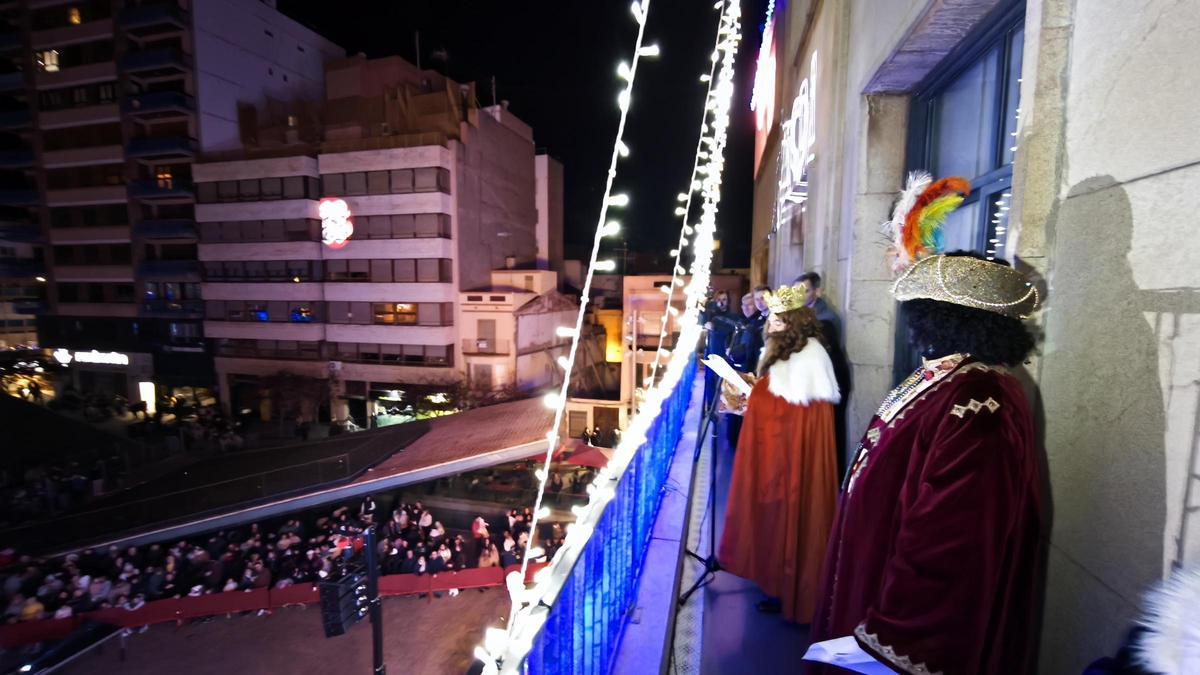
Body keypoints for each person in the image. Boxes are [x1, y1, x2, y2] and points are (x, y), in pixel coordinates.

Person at [808, 175, 1044, 675]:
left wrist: (888, 638)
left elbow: (953, 542)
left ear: (944, 319)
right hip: (873, 573)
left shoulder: (981, 397)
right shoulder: (954, 376)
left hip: (897, 622)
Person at [717, 285, 840, 622]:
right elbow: (779, 399)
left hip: (789, 459)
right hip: (783, 451)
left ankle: (790, 588)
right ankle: (776, 581)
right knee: (776, 518)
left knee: (790, 515)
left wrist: (751, 397)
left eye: (777, 319)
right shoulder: (791, 350)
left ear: (795, 322)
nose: (770, 323)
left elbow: (788, 412)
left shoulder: (809, 356)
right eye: (770, 317)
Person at [794, 271, 852, 478]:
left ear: (816, 292)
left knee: (831, 433)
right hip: (816, 381)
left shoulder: (825, 319)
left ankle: (831, 482)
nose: (798, 296)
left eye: (805, 291)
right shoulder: (801, 313)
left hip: (831, 382)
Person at [700, 289, 741, 412]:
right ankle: (711, 412)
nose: (721, 303)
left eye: (724, 300)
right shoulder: (711, 316)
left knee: (724, 387)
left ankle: (723, 412)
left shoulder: (733, 317)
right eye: (719, 300)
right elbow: (701, 319)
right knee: (710, 384)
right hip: (711, 354)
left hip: (725, 356)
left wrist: (715, 326)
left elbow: (729, 329)